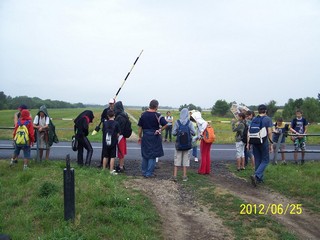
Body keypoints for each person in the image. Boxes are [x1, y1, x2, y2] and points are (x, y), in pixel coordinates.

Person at [138, 99, 167, 178]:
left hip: (146, 136)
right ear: (156, 106)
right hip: (154, 136)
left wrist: (140, 137)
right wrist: (159, 130)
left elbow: (140, 128)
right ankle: (149, 173)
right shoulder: (158, 115)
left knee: (145, 154)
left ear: (149, 105)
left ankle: (144, 172)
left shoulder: (143, 115)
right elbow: (166, 124)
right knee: (152, 155)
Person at [249, 104, 273, 187]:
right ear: (265, 110)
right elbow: (269, 132)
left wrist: (249, 143)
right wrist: (271, 143)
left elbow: (250, 131)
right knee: (266, 160)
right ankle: (256, 175)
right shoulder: (267, 119)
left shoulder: (254, 119)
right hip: (263, 141)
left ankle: (259, 179)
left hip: (254, 140)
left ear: (258, 111)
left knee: (258, 159)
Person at [171, 108, 196, 182]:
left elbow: (173, 133)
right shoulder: (189, 123)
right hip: (187, 145)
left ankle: (175, 176)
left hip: (178, 145)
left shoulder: (177, 122)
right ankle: (184, 176)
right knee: (185, 161)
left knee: (177, 159)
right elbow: (194, 133)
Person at [98, 98, 116, 168]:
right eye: (110, 103)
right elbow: (102, 118)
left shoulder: (116, 111)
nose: (111, 104)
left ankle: (110, 164)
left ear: (114, 103)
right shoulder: (105, 110)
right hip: (106, 131)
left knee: (112, 148)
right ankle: (102, 163)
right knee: (105, 147)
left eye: (112, 103)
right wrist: (105, 120)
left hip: (113, 132)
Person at [102, 110, 120, 175]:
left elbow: (103, 131)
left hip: (105, 141)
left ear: (107, 116)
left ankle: (103, 169)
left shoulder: (105, 123)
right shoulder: (116, 123)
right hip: (113, 141)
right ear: (114, 116)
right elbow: (118, 133)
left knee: (105, 156)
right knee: (112, 156)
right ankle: (111, 170)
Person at [114, 101, 128, 172]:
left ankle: (121, 166)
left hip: (120, 136)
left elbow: (119, 128)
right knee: (122, 151)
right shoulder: (124, 114)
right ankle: (121, 165)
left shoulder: (120, 117)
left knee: (120, 151)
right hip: (123, 136)